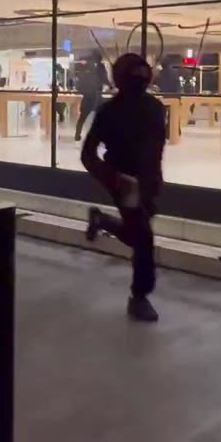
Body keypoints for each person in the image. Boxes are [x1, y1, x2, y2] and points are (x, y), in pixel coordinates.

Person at [82, 53, 168, 322]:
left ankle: (103, 221)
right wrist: (113, 178)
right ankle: (140, 297)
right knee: (143, 237)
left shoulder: (155, 108)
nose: (139, 84)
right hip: (123, 180)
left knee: (135, 233)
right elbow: (88, 154)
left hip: (148, 180)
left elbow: (156, 148)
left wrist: (152, 182)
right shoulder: (110, 112)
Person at [73, 52, 111, 142]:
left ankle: (77, 134)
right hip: (96, 94)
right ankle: (100, 136)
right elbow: (104, 79)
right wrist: (112, 86)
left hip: (87, 94)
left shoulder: (86, 66)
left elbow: (79, 78)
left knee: (83, 116)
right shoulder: (100, 67)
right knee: (100, 116)